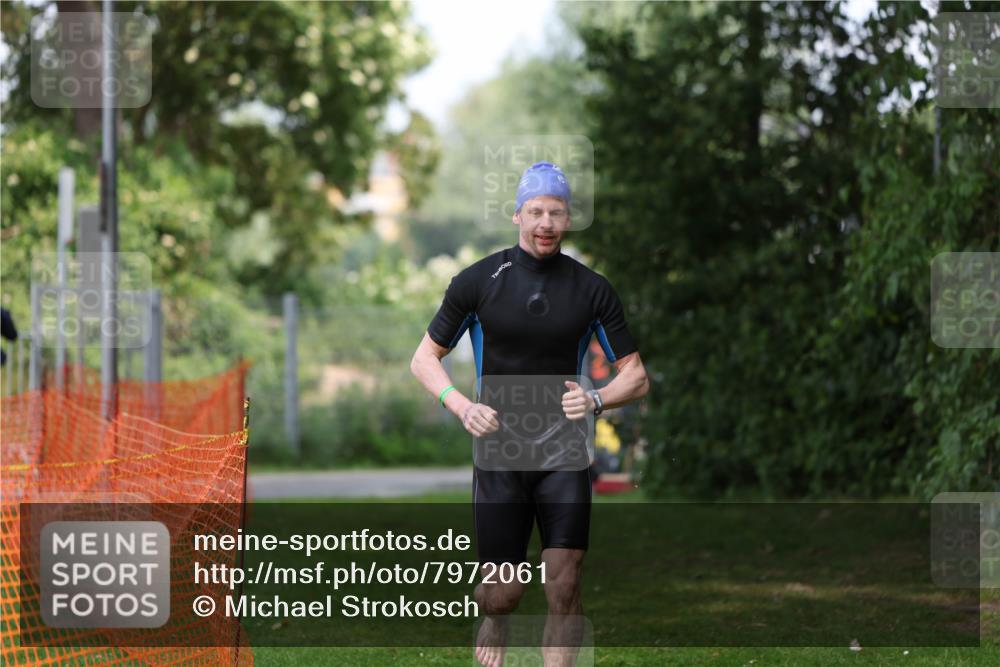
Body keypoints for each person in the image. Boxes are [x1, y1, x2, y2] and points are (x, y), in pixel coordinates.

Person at [410, 161, 650, 666]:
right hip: (500, 453)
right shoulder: (477, 282)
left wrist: (595, 399)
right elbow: (423, 358)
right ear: (517, 215)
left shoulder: (592, 289)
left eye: (556, 213)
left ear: (568, 219)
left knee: (565, 580)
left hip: (565, 450)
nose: (546, 223)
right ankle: (493, 616)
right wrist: (460, 405)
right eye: (536, 211)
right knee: (506, 592)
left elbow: (636, 376)